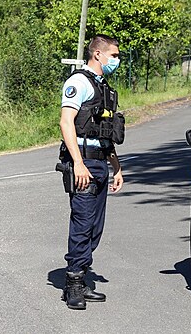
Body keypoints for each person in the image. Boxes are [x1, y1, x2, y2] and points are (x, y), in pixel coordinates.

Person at [59, 35, 124, 310]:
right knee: (83, 223)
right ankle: (73, 283)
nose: (116, 61)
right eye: (113, 55)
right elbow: (66, 123)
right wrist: (78, 163)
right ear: (97, 54)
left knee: (96, 227)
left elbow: (104, 133)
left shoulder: (103, 88)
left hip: (99, 163)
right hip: (82, 162)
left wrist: (116, 167)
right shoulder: (78, 83)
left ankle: (83, 278)